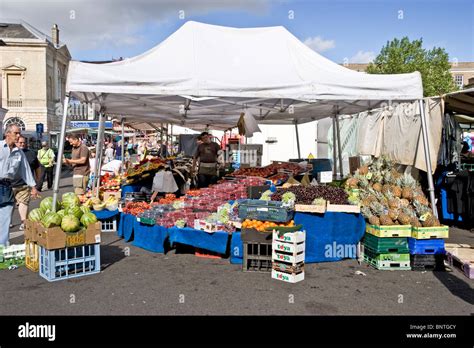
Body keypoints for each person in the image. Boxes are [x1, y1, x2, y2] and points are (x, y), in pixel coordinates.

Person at [0, 125, 39, 246]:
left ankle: (3, 246)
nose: (18, 136)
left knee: (6, 215)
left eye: (19, 133)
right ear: (8, 134)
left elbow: (25, 170)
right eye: (16, 133)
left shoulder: (19, 153)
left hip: (6, 185)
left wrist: (33, 187)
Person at [11, 136, 40, 231]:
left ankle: (23, 222)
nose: (22, 144)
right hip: (9, 184)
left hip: (24, 184)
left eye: (24, 142)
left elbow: (37, 167)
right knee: (9, 205)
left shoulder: (31, 153)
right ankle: (8, 222)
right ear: (15, 143)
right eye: (20, 142)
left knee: (23, 203)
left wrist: (36, 182)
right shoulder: (9, 152)